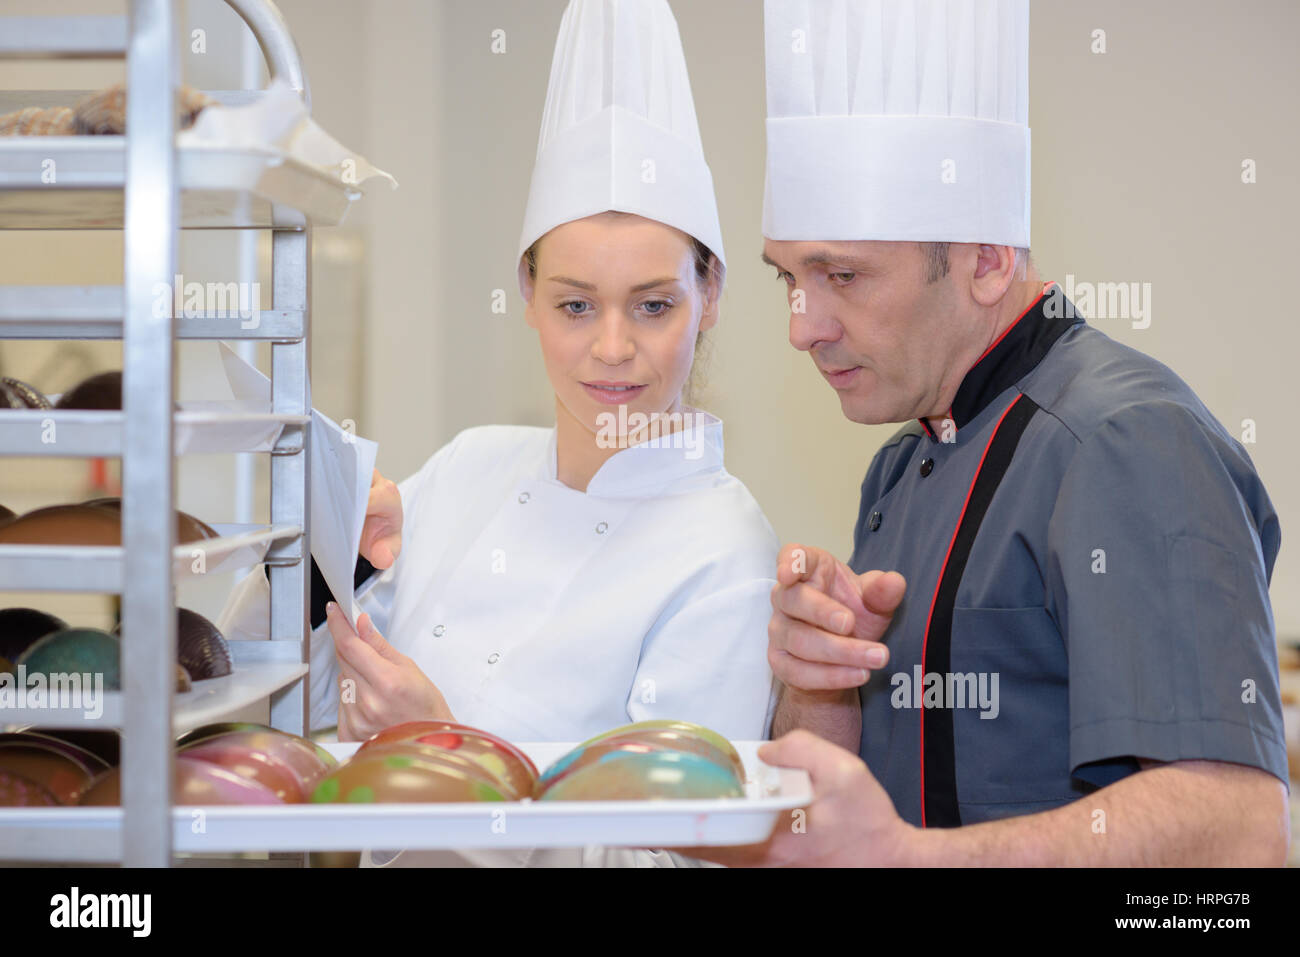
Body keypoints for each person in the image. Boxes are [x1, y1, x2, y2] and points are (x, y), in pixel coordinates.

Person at [695, 0, 1289, 866]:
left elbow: (1238, 838)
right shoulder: (904, 463)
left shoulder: (1129, 440)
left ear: (986, 258)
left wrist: (910, 860)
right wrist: (819, 685)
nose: (802, 324)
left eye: (844, 276)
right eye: (789, 276)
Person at [307, 0, 778, 866]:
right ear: (524, 294)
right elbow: (300, 725)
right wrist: (333, 566)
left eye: (653, 305)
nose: (611, 348)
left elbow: (674, 859)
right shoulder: (469, 467)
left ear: (710, 295)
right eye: (573, 304)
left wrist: (446, 751)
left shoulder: (726, 554)